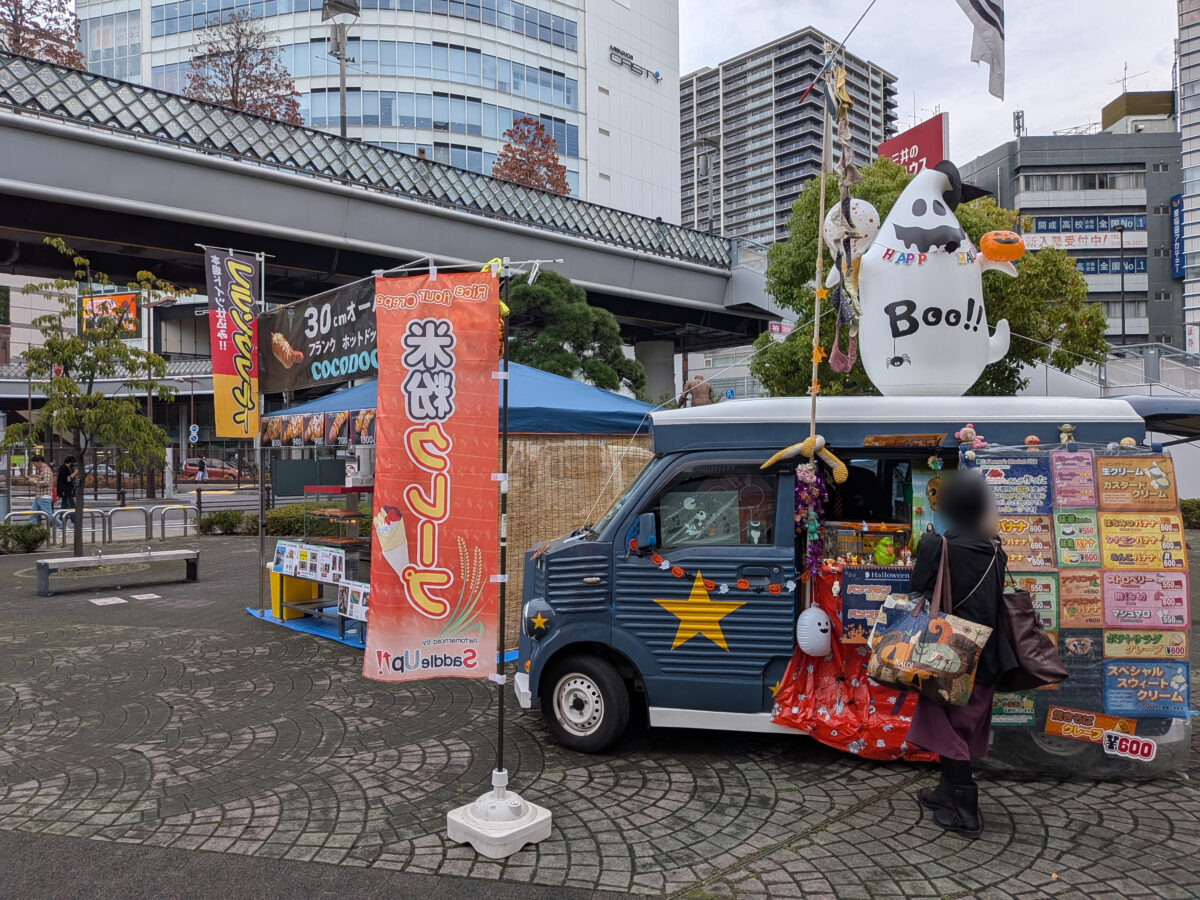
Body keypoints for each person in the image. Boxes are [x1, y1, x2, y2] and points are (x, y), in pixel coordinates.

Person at [905, 471, 1017, 840]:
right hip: (987, 656)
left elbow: (916, 591)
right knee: (964, 728)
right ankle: (944, 792)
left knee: (946, 729)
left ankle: (965, 810)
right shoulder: (994, 548)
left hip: (946, 655)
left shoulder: (936, 545)